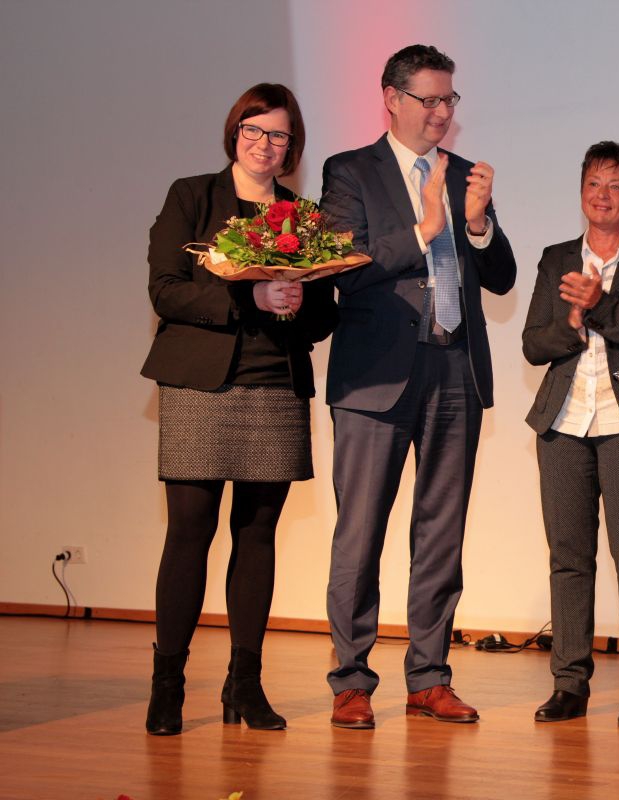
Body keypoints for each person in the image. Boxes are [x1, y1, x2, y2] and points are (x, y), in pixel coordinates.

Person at [320, 44, 517, 729]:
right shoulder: (350, 171)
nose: (441, 113)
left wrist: (477, 224)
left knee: (442, 531)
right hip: (375, 376)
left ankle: (429, 677)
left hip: (455, 367)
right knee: (360, 531)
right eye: (429, 100)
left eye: (449, 100)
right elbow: (342, 266)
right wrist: (424, 229)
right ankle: (351, 680)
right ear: (392, 99)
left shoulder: (464, 174)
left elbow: (501, 277)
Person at [140, 83, 337, 736]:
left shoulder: (302, 217)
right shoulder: (192, 197)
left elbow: (323, 318)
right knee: (189, 531)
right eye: (254, 130)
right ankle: (168, 685)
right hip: (199, 385)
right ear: (235, 132)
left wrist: (298, 303)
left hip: (275, 385)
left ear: (292, 146)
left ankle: (244, 685)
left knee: (257, 535)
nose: (264, 144)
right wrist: (246, 300)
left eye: (279, 135)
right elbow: (166, 291)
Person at [522, 142, 619, 727]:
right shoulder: (556, 258)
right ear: (581, 191)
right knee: (568, 556)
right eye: (593, 183)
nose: (602, 195)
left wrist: (599, 304)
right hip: (563, 422)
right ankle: (569, 683)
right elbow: (533, 345)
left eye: (615, 186)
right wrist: (570, 322)